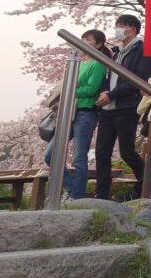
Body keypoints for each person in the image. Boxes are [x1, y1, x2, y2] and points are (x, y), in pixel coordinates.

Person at [43, 30, 110, 200]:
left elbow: (91, 89)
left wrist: (69, 90)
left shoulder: (98, 63)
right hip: (69, 112)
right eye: (83, 40)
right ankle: (71, 188)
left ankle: (76, 196)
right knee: (50, 154)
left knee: (79, 157)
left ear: (99, 44)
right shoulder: (79, 63)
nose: (84, 43)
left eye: (89, 40)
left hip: (85, 113)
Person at [95, 15, 151, 201]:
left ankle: (148, 186)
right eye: (117, 25)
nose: (118, 29)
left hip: (126, 106)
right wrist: (105, 91)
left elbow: (138, 79)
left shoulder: (142, 49)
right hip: (107, 108)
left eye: (122, 26)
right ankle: (101, 194)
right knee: (101, 152)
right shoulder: (116, 51)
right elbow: (108, 77)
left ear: (133, 29)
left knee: (127, 151)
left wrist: (111, 95)